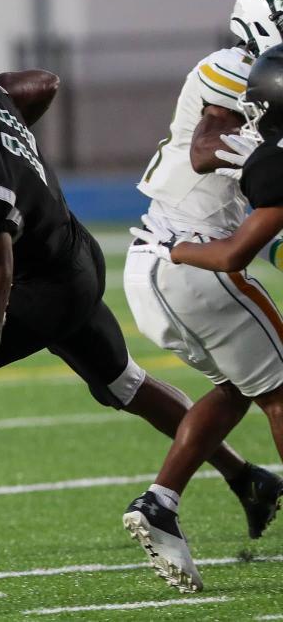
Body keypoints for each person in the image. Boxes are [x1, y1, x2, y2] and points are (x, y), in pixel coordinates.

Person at [0, 50, 277, 567]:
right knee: (126, 385)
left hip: (39, 291)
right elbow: (43, 83)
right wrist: (7, 118)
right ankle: (245, 477)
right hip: (74, 256)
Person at [125, 41, 283, 593]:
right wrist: (180, 253)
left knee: (235, 387)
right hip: (193, 261)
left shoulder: (260, 134)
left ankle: (160, 502)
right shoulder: (239, 88)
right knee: (282, 393)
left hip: (147, 260)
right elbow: (238, 246)